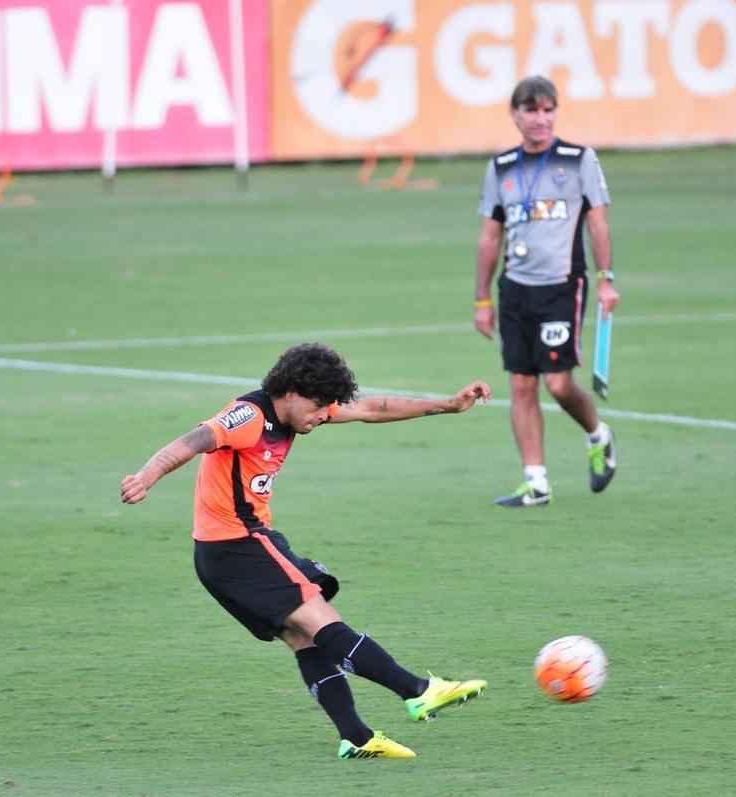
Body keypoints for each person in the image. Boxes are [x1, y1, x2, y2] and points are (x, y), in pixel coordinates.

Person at [120, 343, 491, 760]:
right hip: (239, 545)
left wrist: (449, 405)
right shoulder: (249, 416)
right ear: (292, 392)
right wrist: (147, 477)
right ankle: (418, 691)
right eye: (318, 406)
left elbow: (373, 409)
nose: (323, 415)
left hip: (229, 552)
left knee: (302, 635)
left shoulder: (299, 414)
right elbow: (190, 441)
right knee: (319, 615)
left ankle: (356, 736)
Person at [473, 75, 620, 508]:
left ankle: (598, 433)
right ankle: (535, 481)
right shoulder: (500, 168)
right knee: (521, 384)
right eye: (531, 110)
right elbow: (489, 237)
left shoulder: (579, 160)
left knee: (557, 385)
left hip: (561, 286)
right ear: (515, 115)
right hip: (515, 288)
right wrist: (482, 298)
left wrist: (606, 278)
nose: (541, 119)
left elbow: (598, 223)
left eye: (548, 110)